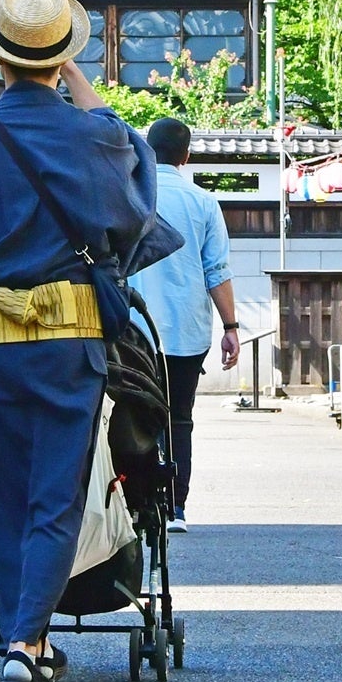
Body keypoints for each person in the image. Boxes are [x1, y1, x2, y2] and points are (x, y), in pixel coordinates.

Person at [0, 0, 171, 682]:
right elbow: (137, 169)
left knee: (3, 492)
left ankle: (20, 633)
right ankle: (26, 643)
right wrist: (78, 82)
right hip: (68, 340)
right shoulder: (92, 137)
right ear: (62, 58)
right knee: (57, 493)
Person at [128, 117, 240, 533]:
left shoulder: (131, 196)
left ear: (146, 151)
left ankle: (134, 502)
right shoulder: (203, 202)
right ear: (186, 156)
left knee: (129, 414)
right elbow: (217, 271)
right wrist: (231, 326)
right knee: (179, 419)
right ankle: (175, 507)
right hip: (185, 331)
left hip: (132, 331)